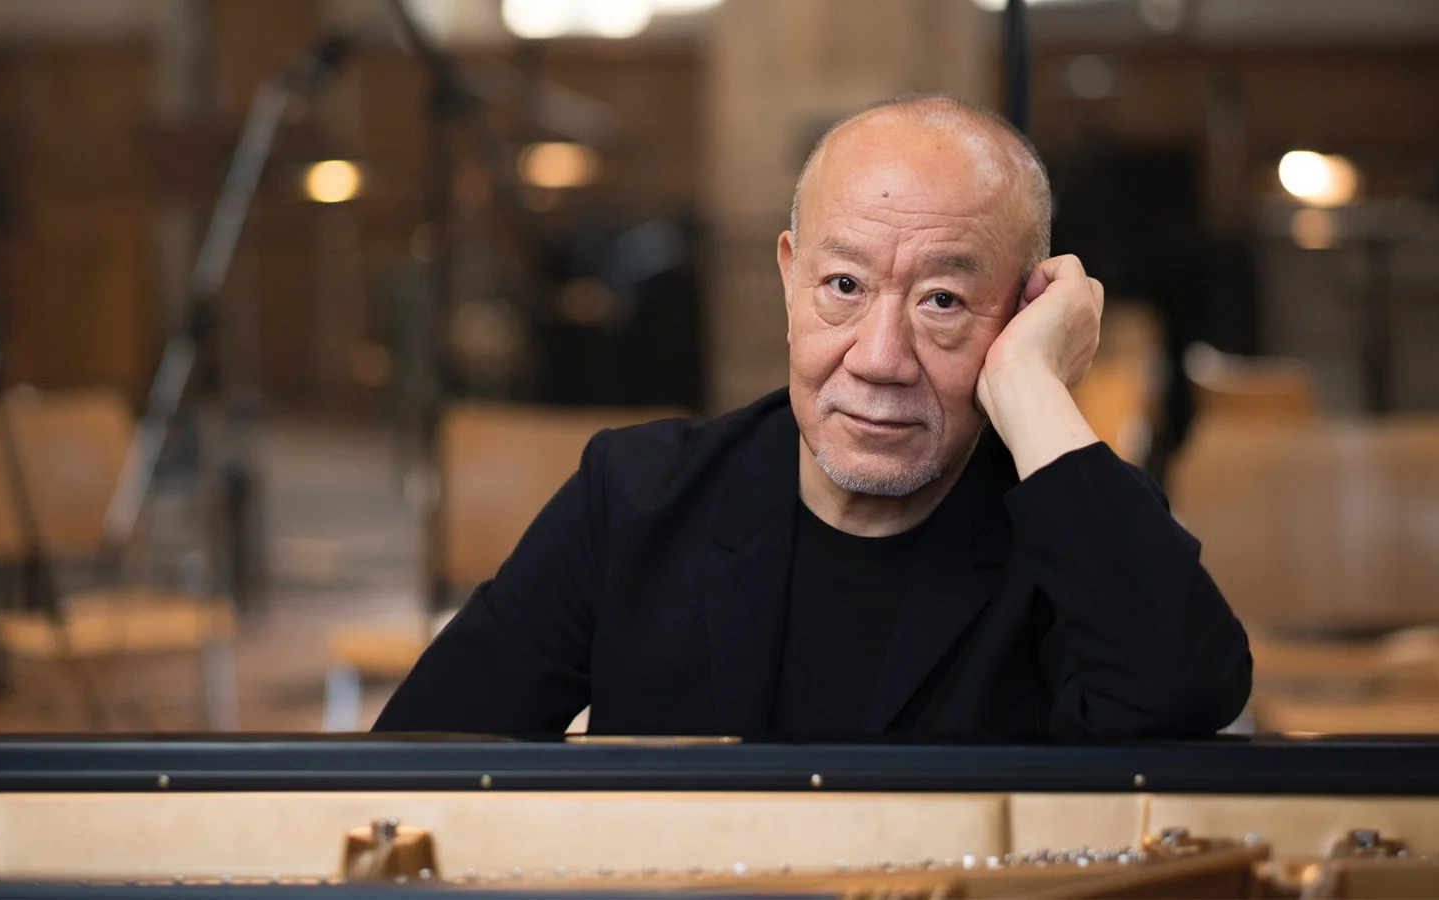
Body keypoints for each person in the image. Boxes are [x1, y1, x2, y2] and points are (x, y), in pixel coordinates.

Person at [374, 94, 1251, 737]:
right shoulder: (635, 499)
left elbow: (1183, 697)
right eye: (844, 285)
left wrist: (1032, 387)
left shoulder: (1071, 531)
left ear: (1022, 314)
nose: (879, 357)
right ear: (790, 278)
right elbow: (422, 758)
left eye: (943, 301)